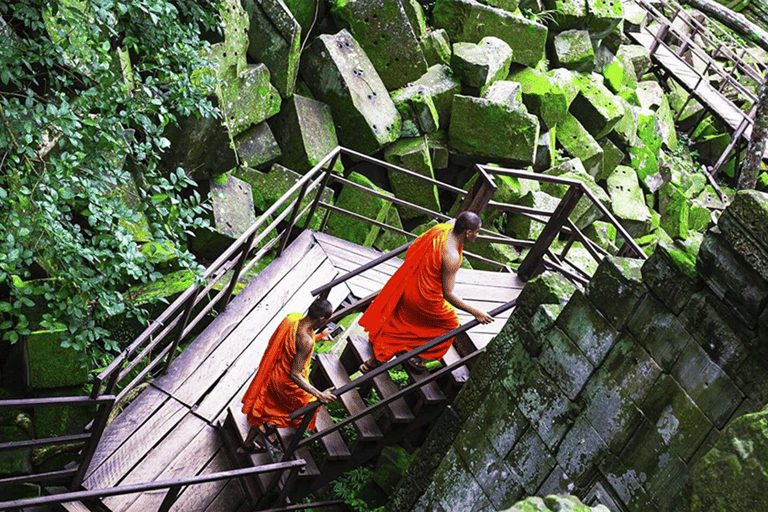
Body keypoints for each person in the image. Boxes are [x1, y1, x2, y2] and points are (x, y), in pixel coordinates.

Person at [358, 211, 493, 373]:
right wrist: (476, 312)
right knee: (451, 324)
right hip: (423, 297)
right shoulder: (451, 257)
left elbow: (450, 222)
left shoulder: (441, 229)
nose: (478, 236)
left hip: (409, 283)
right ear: (468, 232)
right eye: (477, 231)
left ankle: (375, 360)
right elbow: (448, 294)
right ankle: (418, 357)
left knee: (401, 321)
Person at [239, 297, 336, 453]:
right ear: (321, 319)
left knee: (264, 411)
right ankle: (268, 428)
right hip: (285, 383)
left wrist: (318, 336)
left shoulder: (293, 318)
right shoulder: (306, 341)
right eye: (327, 318)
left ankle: (247, 446)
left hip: (274, 372)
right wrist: (319, 394)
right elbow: (295, 374)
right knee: (309, 405)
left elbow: (295, 345)